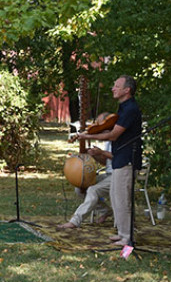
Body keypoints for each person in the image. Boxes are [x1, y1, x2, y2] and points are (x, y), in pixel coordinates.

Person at [77, 75, 143, 246]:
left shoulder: (130, 110)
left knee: (122, 199)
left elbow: (113, 135)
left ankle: (127, 237)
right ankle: (122, 234)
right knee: (115, 197)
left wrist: (88, 135)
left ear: (127, 90)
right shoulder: (123, 108)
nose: (113, 88)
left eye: (116, 86)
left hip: (127, 160)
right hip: (119, 159)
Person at [57, 141, 113, 229]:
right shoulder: (109, 142)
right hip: (108, 174)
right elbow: (106, 162)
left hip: (120, 175)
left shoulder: (122, 138)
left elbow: (121, 159)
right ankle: (106, 211)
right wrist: (95, 155)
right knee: (80, 188)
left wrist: (102, 152)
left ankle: (75, 221)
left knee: (93, 190)